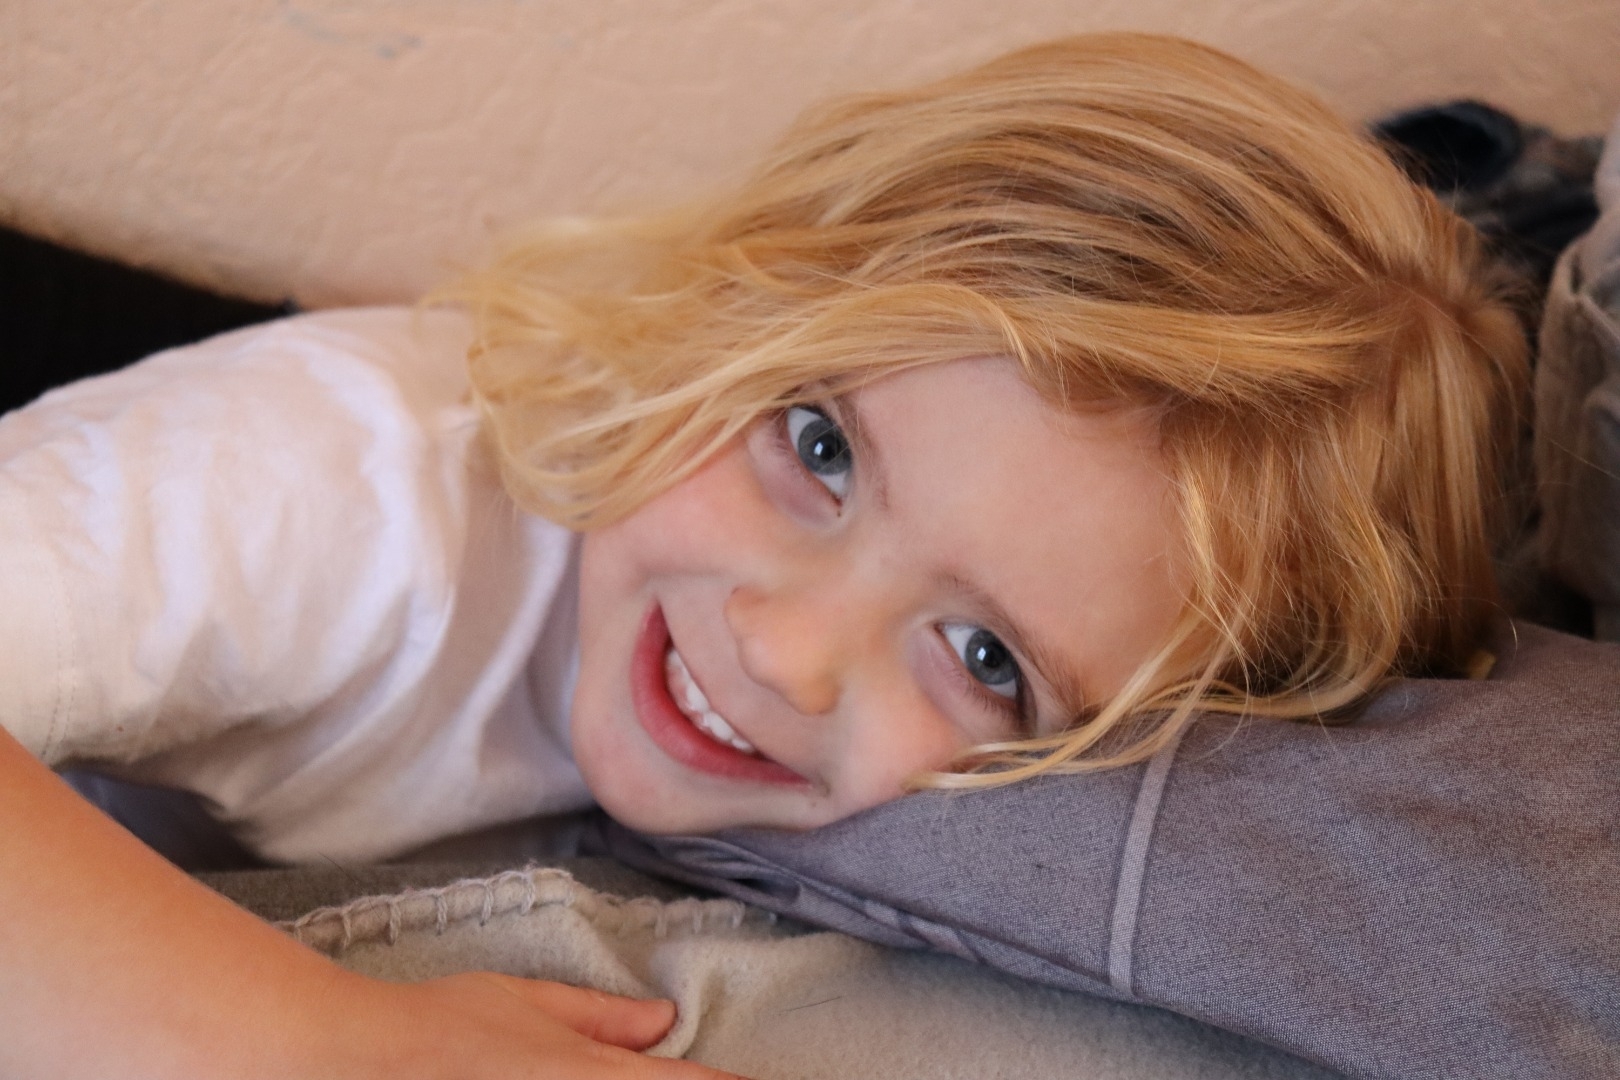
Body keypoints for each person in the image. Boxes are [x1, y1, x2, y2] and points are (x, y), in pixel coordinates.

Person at [0, 32, 1525, 1080]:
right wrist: (315, 1045)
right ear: (738, 302)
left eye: (984, 656)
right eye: (819, 450)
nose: (789, 655)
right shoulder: (332, 481)